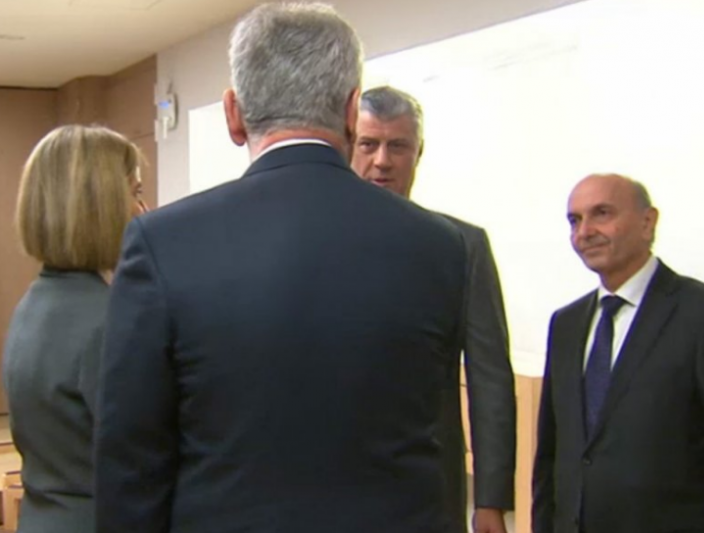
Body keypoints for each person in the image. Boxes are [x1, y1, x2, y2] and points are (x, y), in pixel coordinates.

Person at [94, 4, 468, 533]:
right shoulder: (439, 246)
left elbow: (131, 465)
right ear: (351, 110)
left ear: (233, 112)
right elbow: (432, 433)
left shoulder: (163, 245)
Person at [533, 173, 704, 533]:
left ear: (647, 222)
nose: (584, 232)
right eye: (574, 220)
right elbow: (552, 458)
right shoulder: (566, 324)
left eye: (602, 213)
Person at [351, 86, 516, 533]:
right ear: (348, 146)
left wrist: (491, 499)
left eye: (397, 146)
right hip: (330, 483)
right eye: (368, 144)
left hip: (429, 488)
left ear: (418, 153)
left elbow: (490, 378)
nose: (382, 161)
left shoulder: (462, 246)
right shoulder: (313, 241)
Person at [2, 124, 146, 533]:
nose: (144, 209)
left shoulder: (33, 304)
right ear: (100, 207)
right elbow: (142, 461)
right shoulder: (106, 320)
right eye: (135, 193)